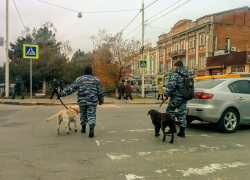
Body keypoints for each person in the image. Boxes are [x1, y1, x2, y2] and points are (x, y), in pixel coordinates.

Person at [58, 66, 104, 138]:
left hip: (82, 101)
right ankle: (91, 128)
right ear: (91, 71)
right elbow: (100, 91)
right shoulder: (96, 80)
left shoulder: (79, 79)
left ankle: (83, 128)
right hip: (92, 101)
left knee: (83, 114)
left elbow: (71, 89)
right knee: (91, 115)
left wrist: (61, 94)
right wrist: (101, 100)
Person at [163, 61, 189, 138]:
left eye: (174, 66)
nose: (174, 67)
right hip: (185, 97)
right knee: (182, 113)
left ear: (177, 66)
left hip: (176, 97)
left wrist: (166, 95)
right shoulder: (187, 75)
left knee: (170, 110)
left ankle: (173, 128)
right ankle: (182, 132)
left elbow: (171, 86)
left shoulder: (175, 74)